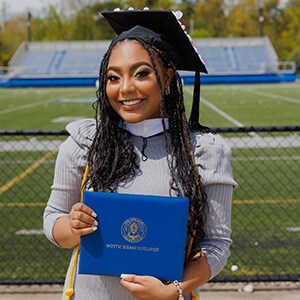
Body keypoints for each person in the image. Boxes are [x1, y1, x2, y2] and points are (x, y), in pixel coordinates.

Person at [43, 8, 237, 300]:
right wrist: (71, 227)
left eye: (141, 73)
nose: (125, 89)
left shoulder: (204, 150)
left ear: (168, 77)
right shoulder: (84, 143)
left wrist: (174, 290)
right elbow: (53, 219)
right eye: (113, 77)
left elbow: (216, 244)